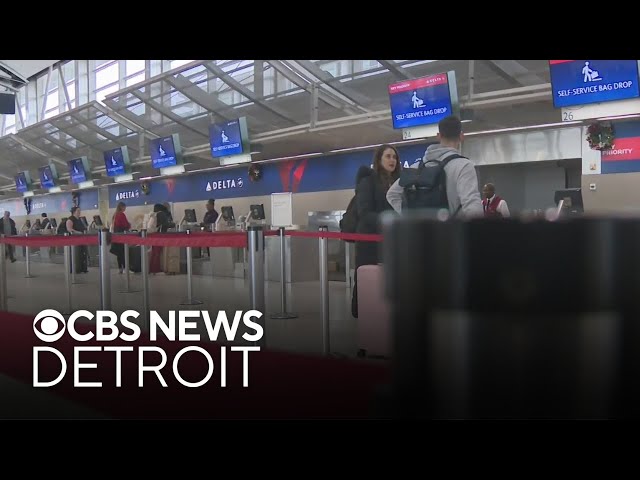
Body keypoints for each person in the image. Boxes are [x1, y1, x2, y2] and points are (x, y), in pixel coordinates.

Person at [386, 115, 483, 218]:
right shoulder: (464, 166)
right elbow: (472, 206)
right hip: (451, 232)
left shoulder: (416, 167)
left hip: (421, 232)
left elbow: (392, 194)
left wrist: (410, 218)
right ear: (461, 136)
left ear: (439, 136)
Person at [352, 144, 401, 318]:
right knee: (368, 283)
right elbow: (365, 214)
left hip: (391, 241)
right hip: (369, 243)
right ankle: (365, 319)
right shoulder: (368, 182)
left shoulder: (399, 183)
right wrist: (390, 220)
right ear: (379, 160)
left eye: (394, 157)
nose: (392, 160)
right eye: (388, 156)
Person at [110, 201, 131, 273]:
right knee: (123, 252)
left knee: (119, 254)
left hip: (116, 235)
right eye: (124, 207)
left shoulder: (115, 215)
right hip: (122, 235)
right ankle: (125, 268)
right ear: (122, 207)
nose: (125, 208)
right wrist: (129, 225)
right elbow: (126, 225)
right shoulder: (121, 215)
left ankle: (120, 268)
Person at [66, 206, 88, 273]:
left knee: (83, 253)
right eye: (78, 211)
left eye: (79, 211)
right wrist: (78, 232)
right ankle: (76, 269)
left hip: (82, 238)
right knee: (76, 254)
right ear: (74, 212)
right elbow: (69, 229)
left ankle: (83, 268)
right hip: (75, 239)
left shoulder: (80, 219)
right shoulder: (70, 220)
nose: (79, 212)